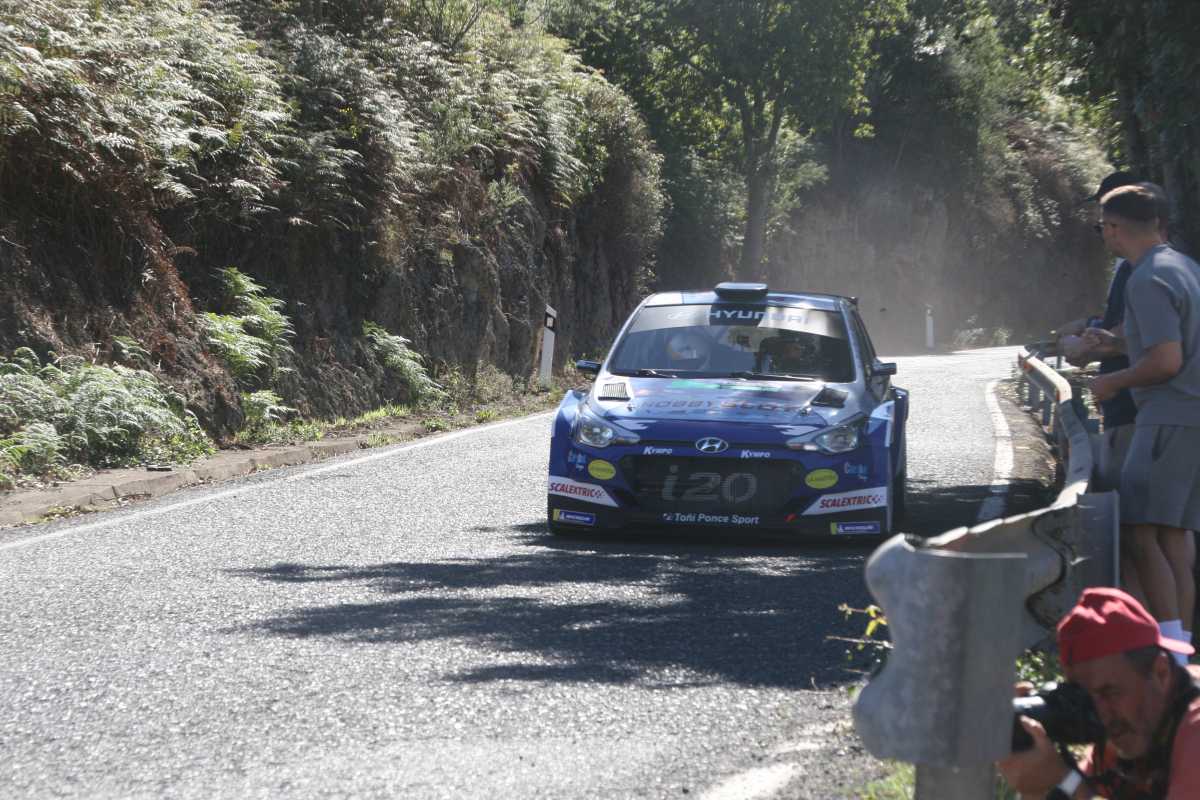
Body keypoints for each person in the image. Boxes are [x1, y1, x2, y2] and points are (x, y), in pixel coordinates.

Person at [1090, 183, 1200, 662]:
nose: (1104, 235)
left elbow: (1166, 361)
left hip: (1167, 419)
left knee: (1139, 532)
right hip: (1190, 419)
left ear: (1114, 228)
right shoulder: (1185, 267)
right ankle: (1181, 653)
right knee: (1172, 537)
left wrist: (1111, 383)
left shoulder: (1146, 278)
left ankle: (1170, 655)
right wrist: (1118, 345)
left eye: (1102, 227)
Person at [998, 587, 1200, 799]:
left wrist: (1065, 782)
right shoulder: (1126, 728)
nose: (1100, 713)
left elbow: (1077, 790)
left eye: (1109, 692)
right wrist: (1034, 784)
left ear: (1161, 673)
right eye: (1085, 698)